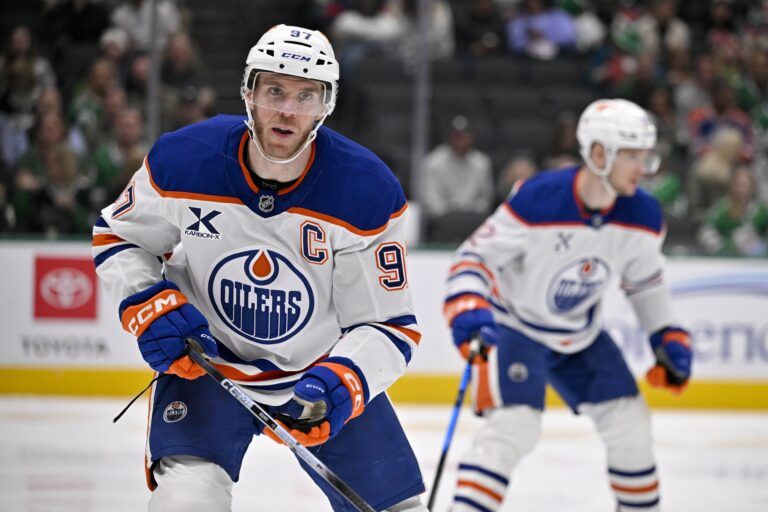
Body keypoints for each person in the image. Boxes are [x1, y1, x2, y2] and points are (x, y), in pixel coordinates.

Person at [92, 25, 426, 512]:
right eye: (274, 91)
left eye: (305, 96)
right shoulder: (185, 160)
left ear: (326, 105)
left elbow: (388, 324)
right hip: (206, 367)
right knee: (186, 501)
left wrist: (344, 380)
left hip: (318, 375)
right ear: (248, 91)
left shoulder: (365, 191)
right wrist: (148, 301)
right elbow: (120, 234)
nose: (287, 110)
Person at [443, 99, 693, 512]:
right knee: (512, 428)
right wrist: (469, 307)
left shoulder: (643, 215)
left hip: (580, 334)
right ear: (599, 154)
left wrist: (667, 334)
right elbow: (474, 257)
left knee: (630, 426)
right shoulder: (538, 200)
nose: (642, 167)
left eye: (645, 156)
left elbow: (645, 283)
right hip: (514, 328)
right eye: (632, 155)